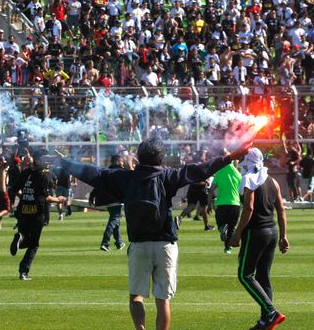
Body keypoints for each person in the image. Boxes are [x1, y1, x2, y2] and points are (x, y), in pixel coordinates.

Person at [49, 137, 251, 330]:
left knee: (136, 296)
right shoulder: (167, 176)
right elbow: (200, 170)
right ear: (161, 158)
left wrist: (65, 162)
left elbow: (93, 173)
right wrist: (230, 157)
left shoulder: (125, 178)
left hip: (139, 245)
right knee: (163, 301)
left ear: (138, 157)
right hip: (165, 245)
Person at [230, 148, 289, 330]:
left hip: (256, 232)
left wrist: (237, 232)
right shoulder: (272, 180)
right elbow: (281, 209)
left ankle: (271, 312)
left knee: (244, 274)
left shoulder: (249, 180)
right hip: (272, 231)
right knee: (263, 276)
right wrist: (284, 236)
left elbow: (248, 208)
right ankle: (266, 320)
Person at [9, 148, 66, 280]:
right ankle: (23, 272)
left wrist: (24, 197)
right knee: (34, 244)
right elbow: (45, 197)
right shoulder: (43, 175)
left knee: (25, 238)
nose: (48, 162)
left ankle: (20, 238)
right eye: (46, 159)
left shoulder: (25, 172)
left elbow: (14, 189)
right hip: (37, 212)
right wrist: (58, 199)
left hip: (23, 210)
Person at [210, 153, 242, 254]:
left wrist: (209, 203)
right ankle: (227, 248)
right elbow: (242, 191)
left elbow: (211, 190)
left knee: (220, 223)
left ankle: (222, 227)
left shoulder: (219, 172)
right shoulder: (238, 174)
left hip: (221, 204)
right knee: (232, 228)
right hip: (235, 204)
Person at [96, 154, 126, 252]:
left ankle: (119, 242)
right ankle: (105, 243)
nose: (123, 163)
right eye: (121, 161)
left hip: (108, 200)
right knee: (114, 220)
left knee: (115, 220)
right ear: (117, 161)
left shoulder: (106, 172)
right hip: (117, 200)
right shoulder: (121, 172)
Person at [178, 151, 214, 231]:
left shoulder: (192, 165)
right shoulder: (203, 165)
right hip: (201, 188)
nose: (205, 156)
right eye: (204, 155)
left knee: (191, 206)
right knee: (204, 207)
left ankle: (179, 218)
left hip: (192, 187)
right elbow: (205, 174)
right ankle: (206, 226)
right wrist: (205, 182)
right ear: (201, 156)